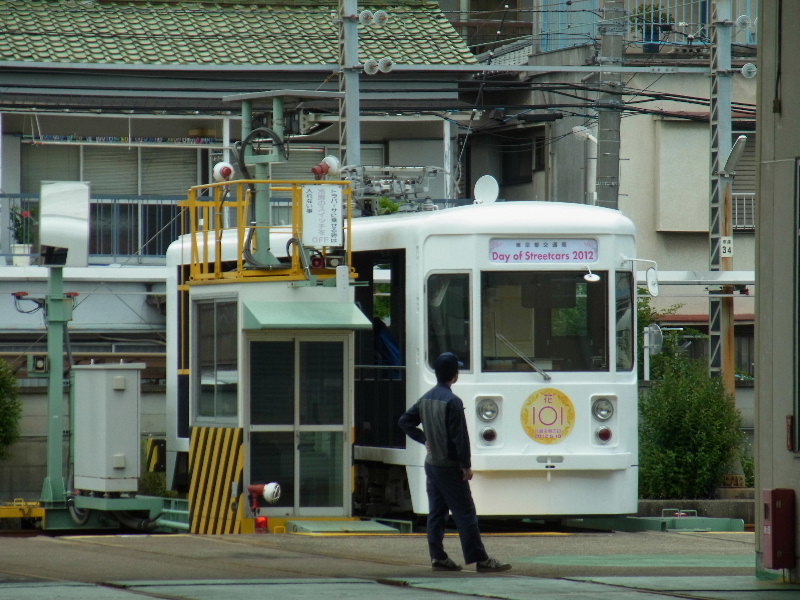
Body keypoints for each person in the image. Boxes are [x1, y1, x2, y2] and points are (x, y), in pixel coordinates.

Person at [398, 352, 511, 573]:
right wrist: (466, 466)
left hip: (432, 465)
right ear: (455, 376)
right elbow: (460, 437)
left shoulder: (426, 398)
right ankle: (481, 560)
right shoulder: (453, 401)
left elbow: (404, 421)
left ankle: (438, 557)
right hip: (449, 467)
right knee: (465, 513)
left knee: (436, 513)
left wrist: (424, 439)